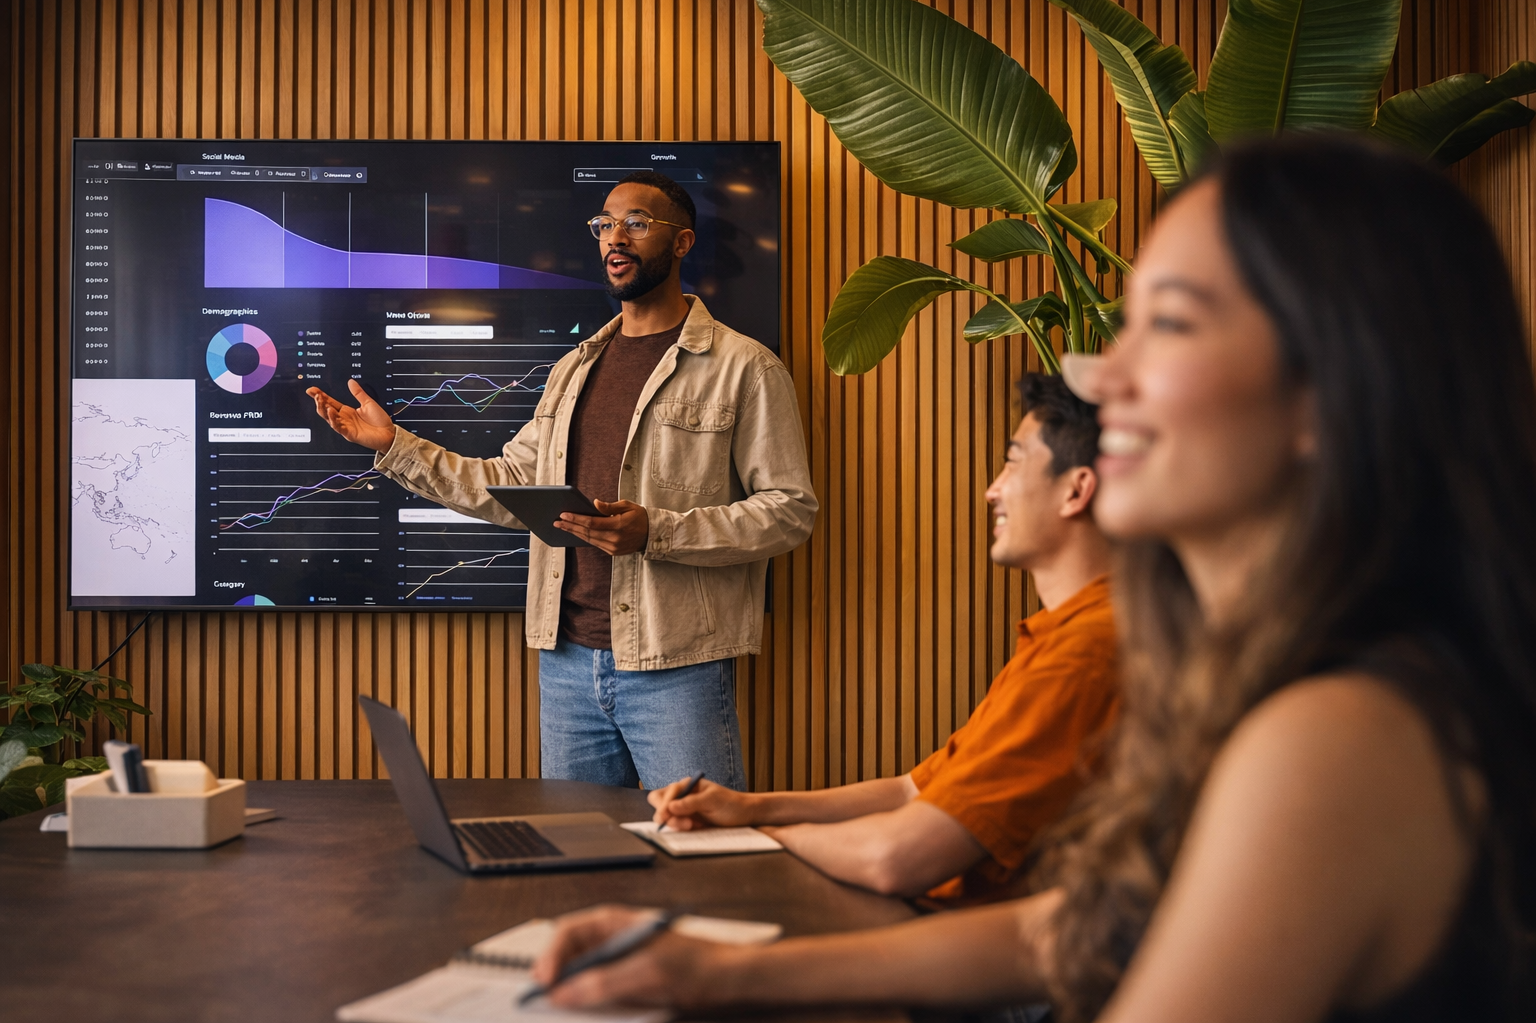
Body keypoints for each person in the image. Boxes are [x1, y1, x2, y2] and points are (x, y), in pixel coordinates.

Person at [526, 134, 1536, 1020]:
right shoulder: (1247, 674)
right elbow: (1072, 930)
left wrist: (752, 858)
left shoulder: (1337, 734)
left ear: (1334, 390)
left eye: (1171, 324)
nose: (1107, 375)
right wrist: (711, 975)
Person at [307, 171, 817, 791]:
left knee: (703, 854)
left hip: (676, 664)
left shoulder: (745, 367)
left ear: (681, 243)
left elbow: (789, 510)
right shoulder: (572, 370)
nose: (615, 238)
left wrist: (656, 531)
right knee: (580, 852)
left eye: (636, 222)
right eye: (605, 223)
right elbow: (510, 484)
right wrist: (395, 447)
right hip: (567, 662)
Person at [646, 373, 1118, 903]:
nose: (993, 489)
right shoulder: (1060, 636)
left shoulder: (1087, 655)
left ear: (1076, 489)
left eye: (1013, 461)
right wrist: (749, 808)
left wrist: (750, 837)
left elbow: (893, 859)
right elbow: (910, 790)